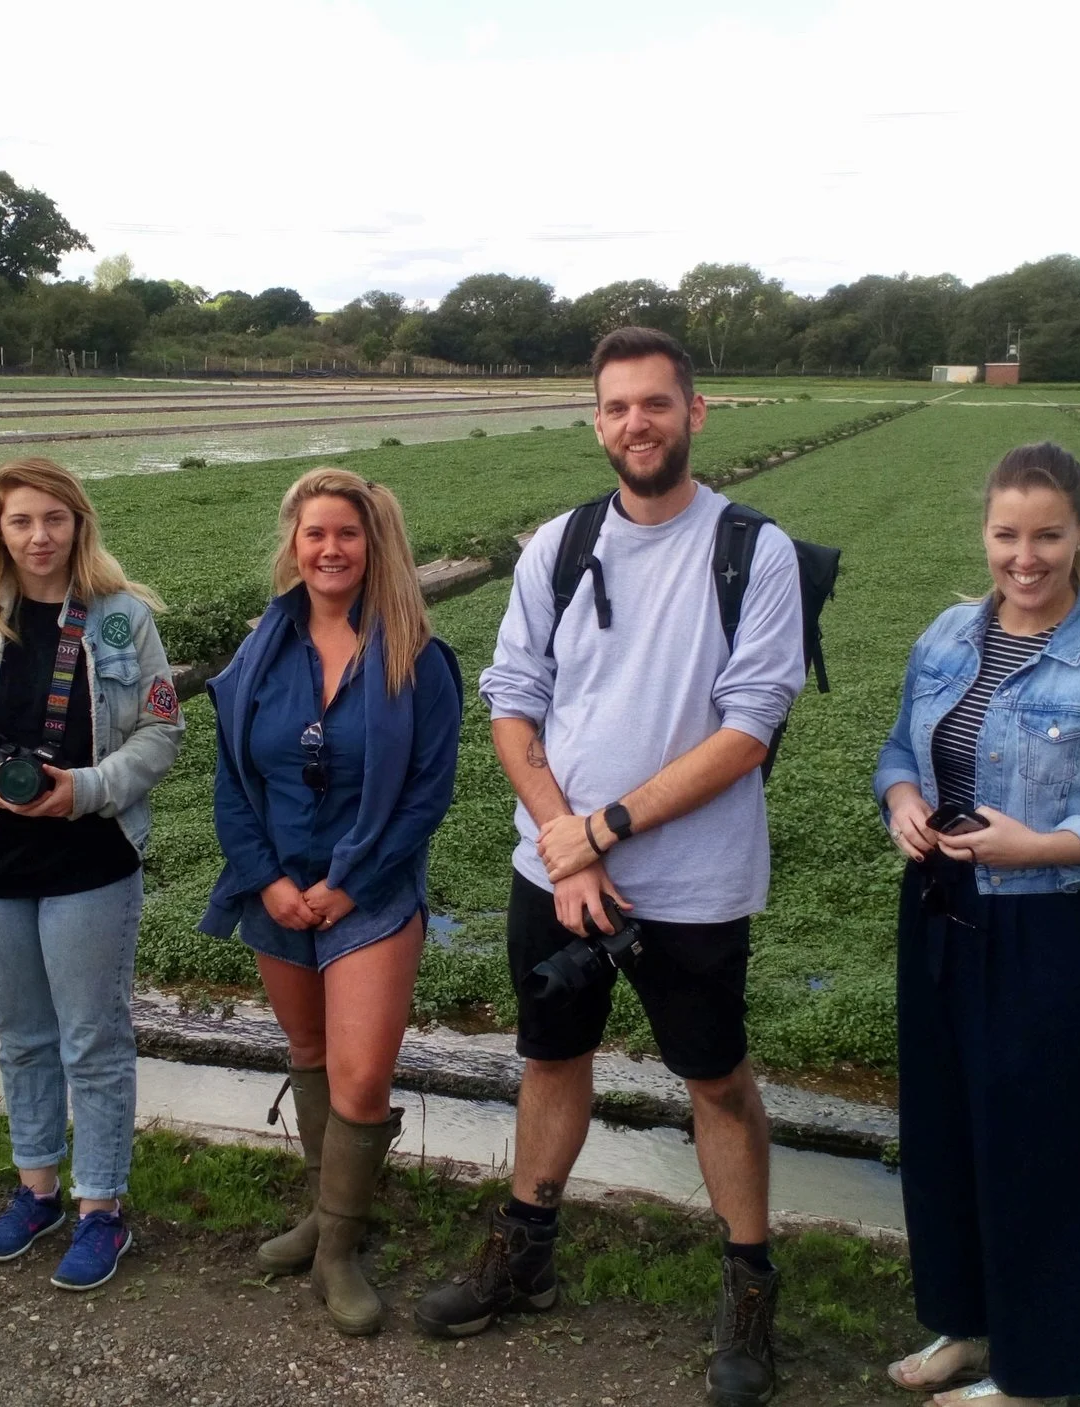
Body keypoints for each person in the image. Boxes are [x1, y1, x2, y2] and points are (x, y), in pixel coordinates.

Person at [414, 327, 805, 1407]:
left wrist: (605, 830)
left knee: (716, 1080)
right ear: (597, 421)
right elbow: (511, 700)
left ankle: (749, 1284)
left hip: (693, 883)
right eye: (617, 407)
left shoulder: (750, 549)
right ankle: (525, 1253)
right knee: (551, 1057)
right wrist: (563, 840)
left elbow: (749, 728)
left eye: (656, 404)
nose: (637, 423)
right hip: (558, 874)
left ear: (695, 413)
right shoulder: (559, 544)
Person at [874, 442, 1080, 1406]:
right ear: (986, 533)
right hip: (937, 913)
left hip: (1048, 934)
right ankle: (968, 1327)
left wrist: (1042, 847)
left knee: (1039, 1152)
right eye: (1008, 534)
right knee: (944, 1136)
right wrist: (900, 803)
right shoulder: (946, 636)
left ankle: (1039, 1375)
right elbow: (898, 748)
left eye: (1048, 534)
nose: (1026, 556)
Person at [200, 466, 463, 1336]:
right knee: (308, 1048)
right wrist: (269, 878)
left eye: (346, 533)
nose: (330, 549)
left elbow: (427, 794)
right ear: (294, 544)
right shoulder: (257, 654)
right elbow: (233, 781)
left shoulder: (416, 657)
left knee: (359, 1075)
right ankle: (327, 1214)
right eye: (314, 533)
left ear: (372, 543)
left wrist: (345, 882)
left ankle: (339, 1251)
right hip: (275, 887)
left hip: (371, 891)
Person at [0, 457, 183, 1291]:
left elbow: (159, 732)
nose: (39, 536)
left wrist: (88, 791)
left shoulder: (120, 621)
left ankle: (101, 1206)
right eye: (21, 521)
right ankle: (37, 1190)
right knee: (22, 1035)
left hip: (90, 855)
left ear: (79, 524)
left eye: (54, 519)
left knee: (92, 1037)